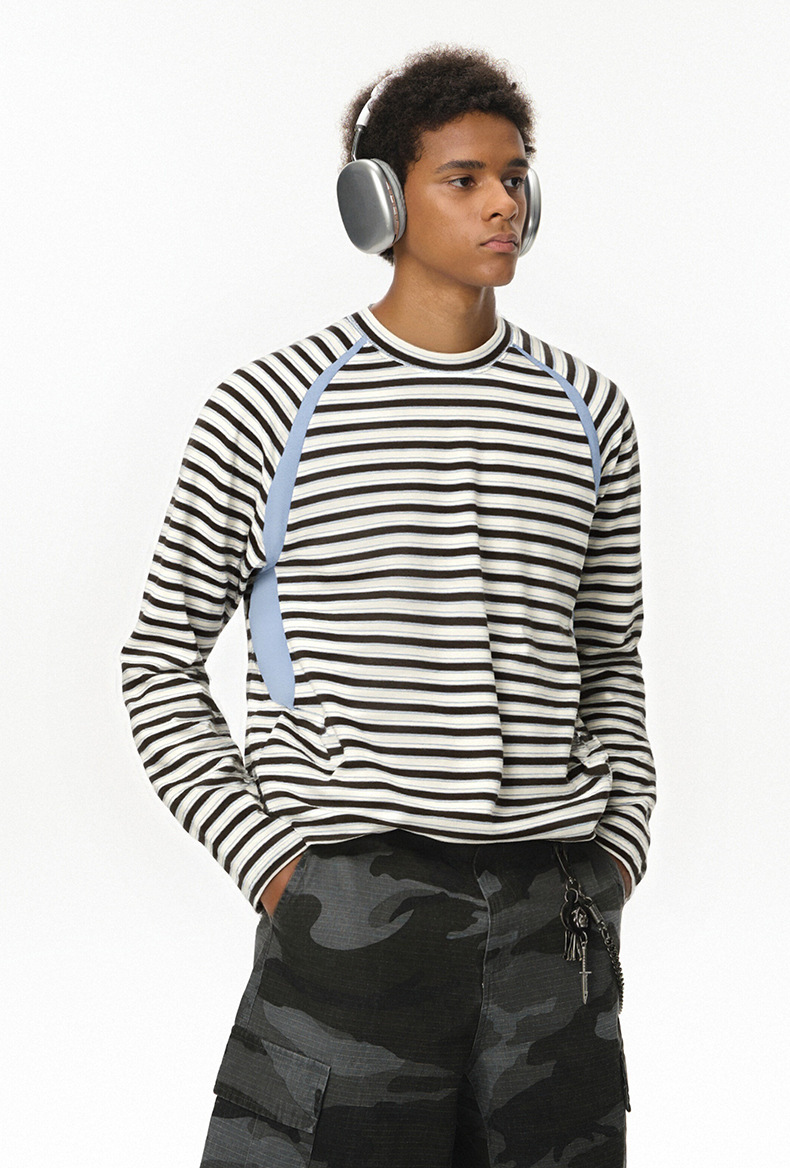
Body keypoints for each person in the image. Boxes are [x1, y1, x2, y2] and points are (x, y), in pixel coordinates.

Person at [119, 43, 655, 1168]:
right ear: (380, 201)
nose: (503, 204)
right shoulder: (270, 405)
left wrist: (617, 852)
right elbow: (160, 660)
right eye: (464, 179)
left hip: (552, 914)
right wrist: (276, 866)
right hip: (351, 910)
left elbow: (608, 655)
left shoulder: (588, 408)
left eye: (516, 177)